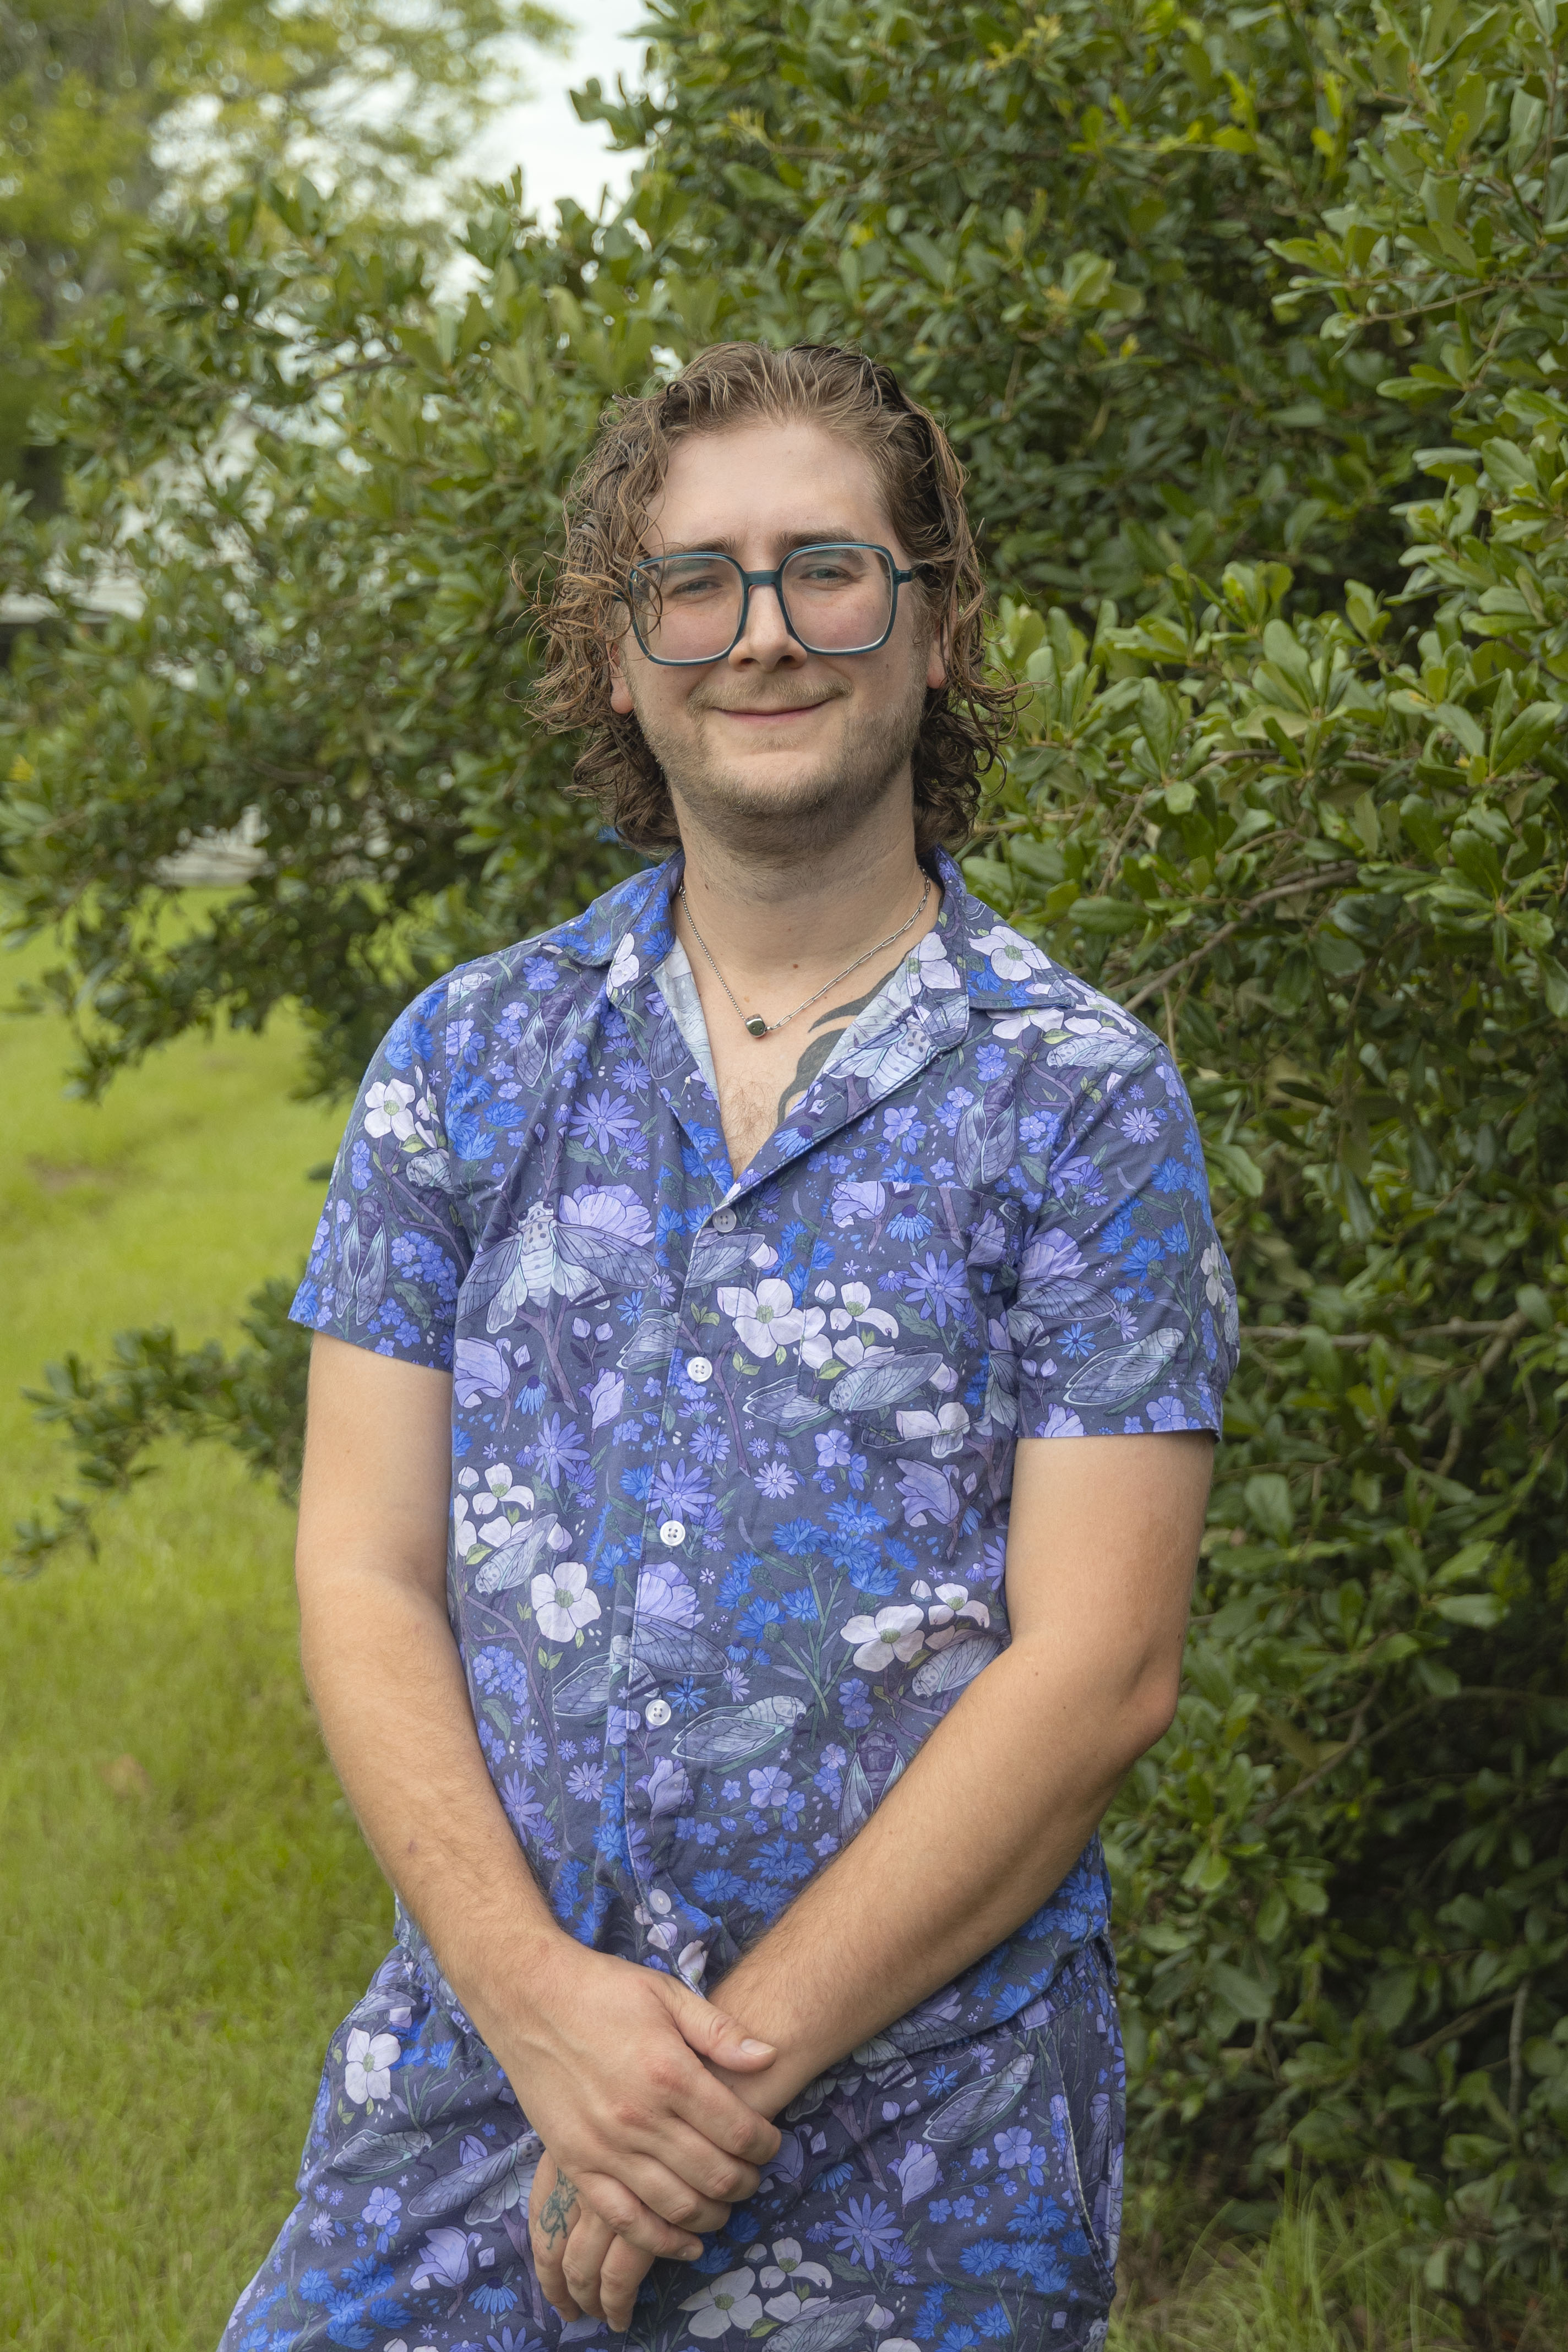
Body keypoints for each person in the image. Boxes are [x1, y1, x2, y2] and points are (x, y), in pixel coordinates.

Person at [219, 341, 1238, 2352]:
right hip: (478, 2076)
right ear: (620, 656)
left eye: (826, 568)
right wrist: (539, 2015)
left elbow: (1103, 1665)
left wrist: (700, 2085)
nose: (762, 633)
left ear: (934, 626)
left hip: (927, 2133)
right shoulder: (466, 1060)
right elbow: (361, 1567)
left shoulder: (1084, 1100)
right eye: (696, 582)